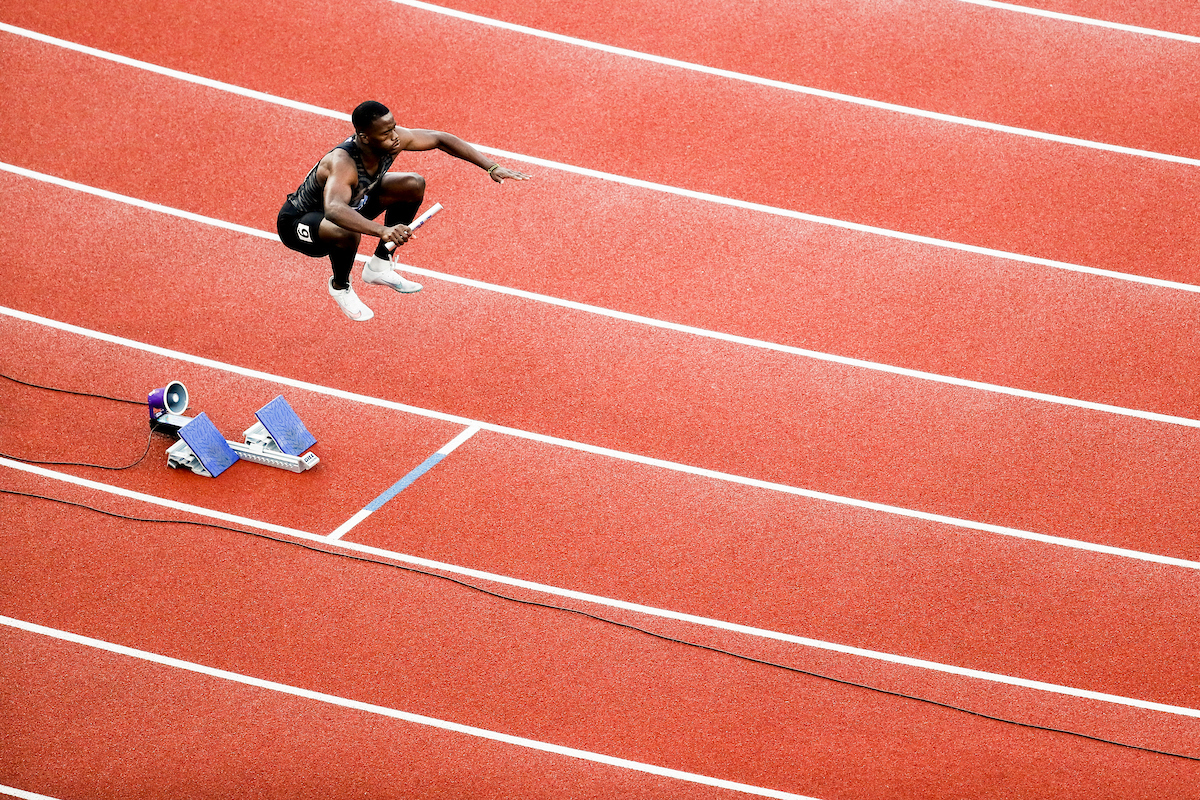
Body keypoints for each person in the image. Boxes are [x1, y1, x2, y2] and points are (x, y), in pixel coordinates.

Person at [277, 100, 531, 321]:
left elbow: (441, 139)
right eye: (386, 132)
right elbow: (334, 209)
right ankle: (340, 286)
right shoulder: (343, 163)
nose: (395, 136)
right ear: (364, 137)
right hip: (300, 222)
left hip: (355, 205)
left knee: (412, 184)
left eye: (394, 126)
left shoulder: (393, 140)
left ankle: (378, 266)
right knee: (346, 230)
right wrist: (383, 230)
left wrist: (491, 167)